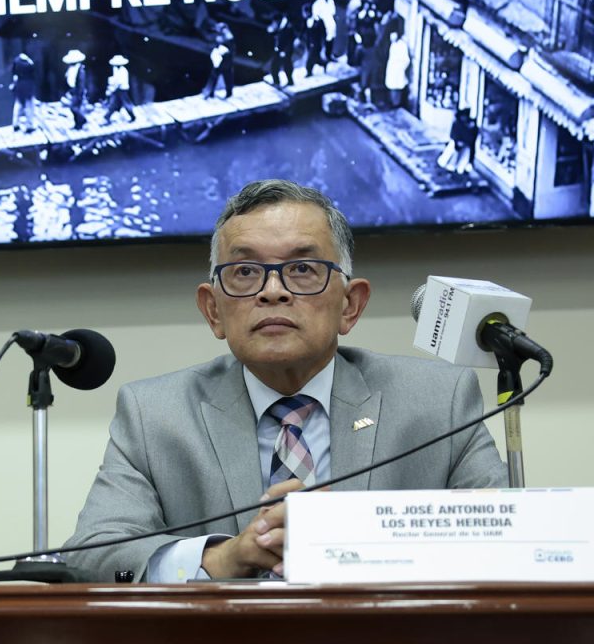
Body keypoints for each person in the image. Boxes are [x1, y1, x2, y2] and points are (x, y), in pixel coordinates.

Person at [63, 180, 507, 584]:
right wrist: (224, 558)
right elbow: (89, 557)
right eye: (245, 272)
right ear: (213, 311)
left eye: (302, 269)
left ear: (351, 306)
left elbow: (508, 542)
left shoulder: (437, 402)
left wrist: (362, 544)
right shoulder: (155, 414)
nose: (272, 290)